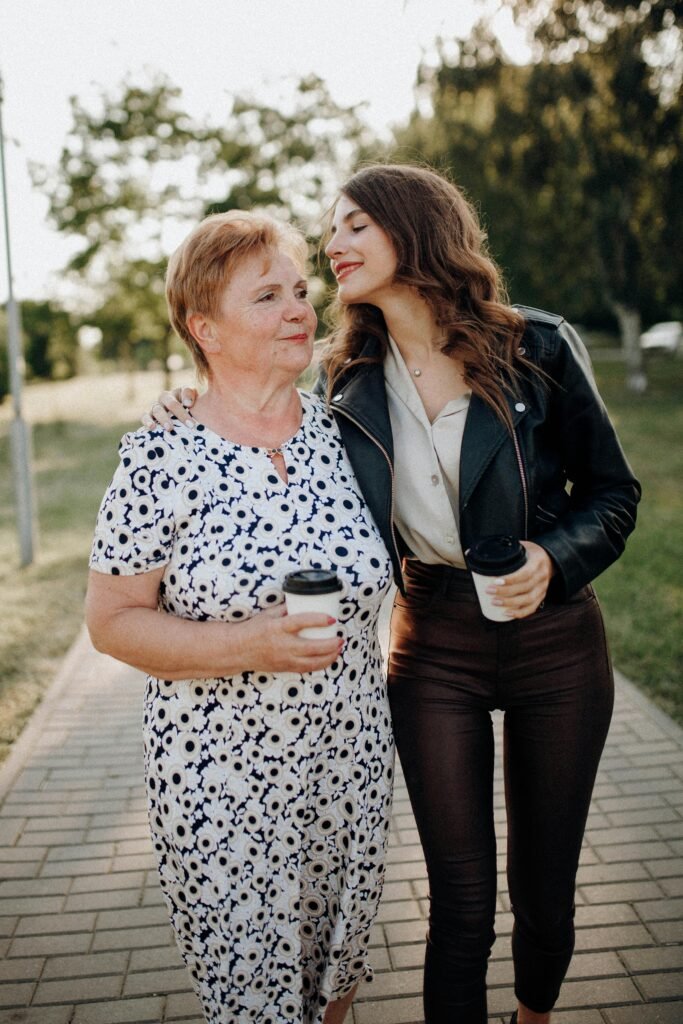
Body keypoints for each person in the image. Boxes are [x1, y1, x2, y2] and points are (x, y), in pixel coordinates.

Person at [145, 164, 641, 1024]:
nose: (331, 244)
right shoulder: (343, 379)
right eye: (330, 229)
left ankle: (533, 1016)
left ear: (414, 228)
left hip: (554, 641)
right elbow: (253, 405)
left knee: (545, 887)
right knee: (459, 898)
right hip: (432, 643)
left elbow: (613, 494)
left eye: (354, 225)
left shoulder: (538, 346)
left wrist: (552, 558)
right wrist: (187, 402)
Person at [86, 209, 395, 1024]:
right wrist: (247, 643)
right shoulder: (160, 455)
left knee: (333, 982)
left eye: (298, 290)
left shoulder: (347, 432)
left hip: (350, 769)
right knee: (255, 999)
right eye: (266, 297)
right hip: (221, 784)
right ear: (205, 329)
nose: (299, 309)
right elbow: (111, 621)